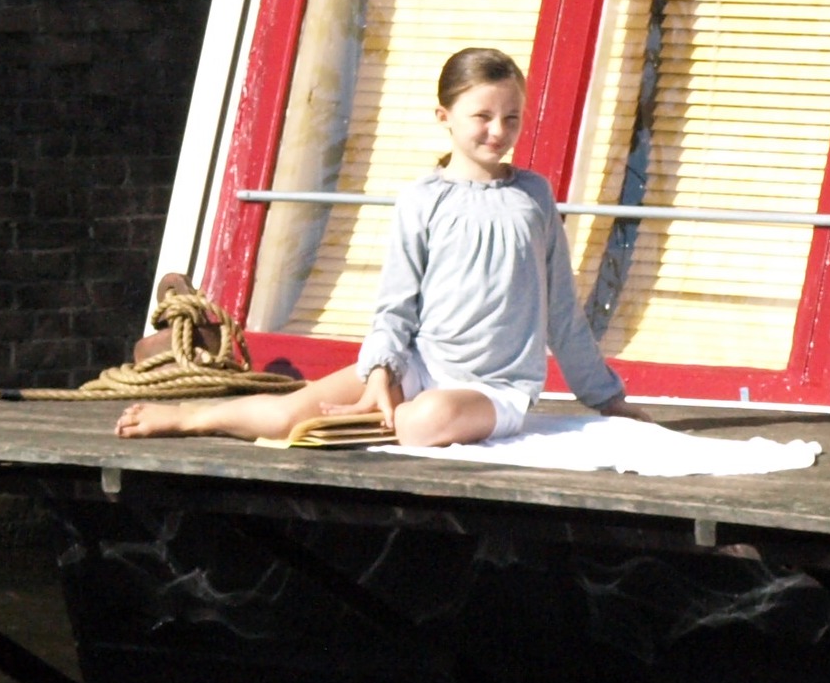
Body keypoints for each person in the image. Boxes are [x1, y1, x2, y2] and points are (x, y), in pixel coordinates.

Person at [114, 46, 626, 448]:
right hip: (421, 363)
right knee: (294, 415)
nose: (498, 131)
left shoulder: (532, 196)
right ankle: (192, 418)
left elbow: (561, 309)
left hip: (495, 389)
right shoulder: (421, 200)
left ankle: (388, 420)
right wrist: (382, 373)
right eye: (483, 116)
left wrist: (607, 400)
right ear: (444, 115)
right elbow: (396, 307)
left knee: (424, 421)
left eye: (511, 118)